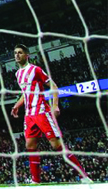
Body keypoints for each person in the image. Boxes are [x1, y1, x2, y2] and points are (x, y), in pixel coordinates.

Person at [11, 44, 91, 184]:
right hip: (29, 115)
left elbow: (53, 86)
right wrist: (17, 105)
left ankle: (84, 176)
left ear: (26, 55)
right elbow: (26, 93)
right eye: (15, 53)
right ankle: (36, 181)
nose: (17, 55)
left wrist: (55, 105)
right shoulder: (17, 74)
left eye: (20, 52)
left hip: (42, 111)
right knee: (30, 145)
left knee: (56, 145)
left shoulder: (35, 70)